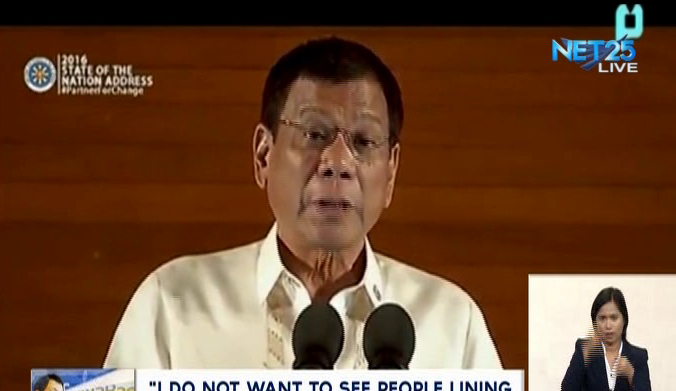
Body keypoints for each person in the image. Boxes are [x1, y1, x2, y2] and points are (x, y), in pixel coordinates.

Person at [103, 36, 502, 372]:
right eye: (314, 134)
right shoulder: (171, 302)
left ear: (391, 172)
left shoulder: (453, 322)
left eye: (364, 141)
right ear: (263, 156)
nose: (338, 163)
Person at [561, 287, 653, 391]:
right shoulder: (584, 349)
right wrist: (584, 357)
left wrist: (631, 375)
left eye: (614, 318)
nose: (608, 325)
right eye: (602, 318)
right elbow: (567, 390)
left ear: (624, 320)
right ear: (595, 322)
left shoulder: (637, 356)